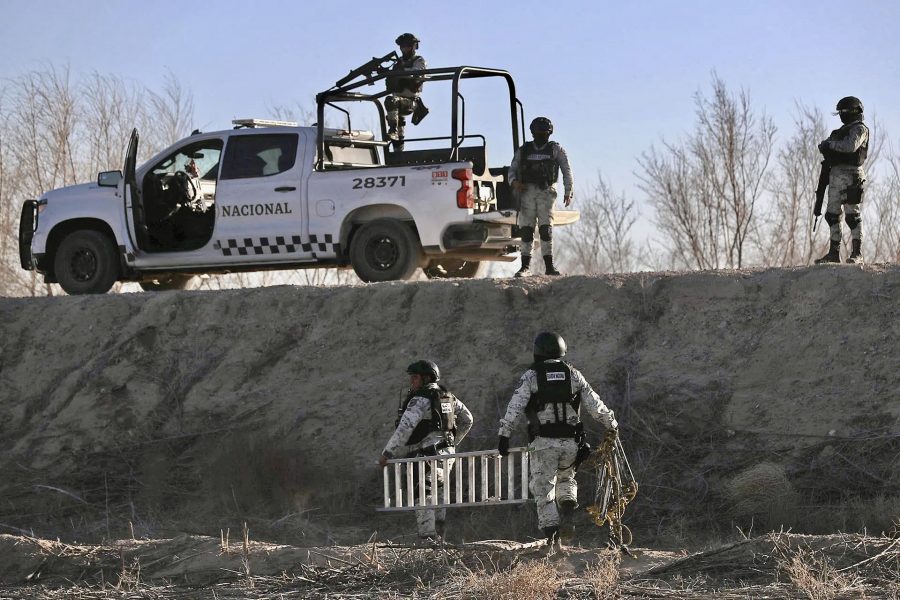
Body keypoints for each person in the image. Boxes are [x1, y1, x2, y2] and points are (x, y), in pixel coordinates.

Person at [497, 332, 617, 549]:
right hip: (571, 442)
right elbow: (594, 404)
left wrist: (504, 434)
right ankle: (568, 511)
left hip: (543, 443)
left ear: (538, 351)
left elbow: (516, 406)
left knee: (543, 490)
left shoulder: (532, 376)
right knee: (566, 480)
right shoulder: (573, 374)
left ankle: (553, 543)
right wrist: (611, 425)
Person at [379, 360, 473, 541]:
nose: (411, 381)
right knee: (439, 495)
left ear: (426, 378)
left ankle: (428, 542)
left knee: (423, 494)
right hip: (447, 455)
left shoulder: (420, 399)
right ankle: (440, 540)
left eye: (415, 377)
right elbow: (467, 419)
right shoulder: (449, 396)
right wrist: (453, 443)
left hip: (426, 456)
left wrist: (387, 453)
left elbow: (404, 428)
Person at [508, 117, 574, 277]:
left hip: (547, 193)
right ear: (532, 133)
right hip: (527, 193)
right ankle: (525, 266)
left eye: (544, 133)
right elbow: (512, 169)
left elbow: (566, 169)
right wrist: (515, 182)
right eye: (538, 132)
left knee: (546, 230)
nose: (541, 135)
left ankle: (549, 266)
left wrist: (568, 190)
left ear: (549, 133)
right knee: (526, 230)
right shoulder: (524, 150)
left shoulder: (555, 149)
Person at [815, 96, 870, 264]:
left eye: (843, 112)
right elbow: (826, 147)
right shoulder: (839, 132)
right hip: (835, 175)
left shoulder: (860, 129)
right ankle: (834, 253)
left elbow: (850, 146)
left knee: (852, 215)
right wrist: (826, 145)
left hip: (852, 175)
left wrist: (829, 145)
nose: (841, 115)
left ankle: (857, 253)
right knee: (832, 215)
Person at [385, 33, 428, 150]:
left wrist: (402, 71)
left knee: (391, 101)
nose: (405, 49)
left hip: (410, 102)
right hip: (398, 102)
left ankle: (392, 131)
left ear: (414, 47)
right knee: (397, 124)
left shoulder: (419, 60)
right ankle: (398, 151)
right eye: (402, 46)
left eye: (408, 46)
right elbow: (390, 83)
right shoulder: (397, 64)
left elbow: (417, 73)